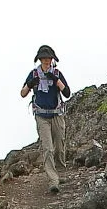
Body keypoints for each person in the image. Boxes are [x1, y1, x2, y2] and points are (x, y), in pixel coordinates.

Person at [20, 44, 71, 193]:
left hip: (56, 114)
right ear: (39, 60)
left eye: (48, 58)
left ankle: (60, 172)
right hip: (41, 116)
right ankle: (53, 180)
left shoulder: (56, 73)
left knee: (60, 145)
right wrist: (30, 84)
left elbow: (67, 93)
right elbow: (23, 93)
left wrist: (56, 80)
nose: (46, 61)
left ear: (52, 59)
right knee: (48, 148)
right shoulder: (34, 74)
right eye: (43, 58)